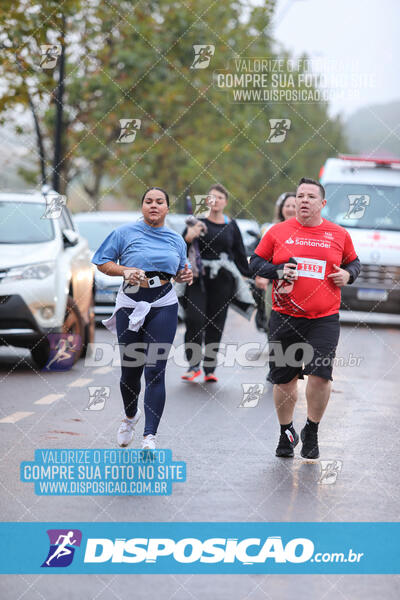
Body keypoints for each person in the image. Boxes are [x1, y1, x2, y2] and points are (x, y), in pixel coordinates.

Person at [250, 177, 361, 459]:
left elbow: (353, 263)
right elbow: (254, 262)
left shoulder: (338, 234)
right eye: (300, 196)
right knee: (284, 381)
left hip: (323, 318)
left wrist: (348, 275)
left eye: (311, 196)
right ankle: (286, 433)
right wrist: (277, 271)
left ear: (322, 203)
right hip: (285, 316)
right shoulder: (278, 232)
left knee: (320, 376)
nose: (303, 200)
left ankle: (311, 429)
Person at [92, 188, 193, 450]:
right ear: (142, 206)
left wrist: (185, 275)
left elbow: (182, 269)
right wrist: (125, 271)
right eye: (148, 201)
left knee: (155, 370)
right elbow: (102, 261)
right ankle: (129, 416)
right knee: (130, 372)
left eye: (160, 202)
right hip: (130, 304)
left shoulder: (175, 239)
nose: (154, 206)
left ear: (167, 208)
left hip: (163, 304)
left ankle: (150, 436)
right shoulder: (124, 233)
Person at [181, 183, 257, 383]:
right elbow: (180, 246)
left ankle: (209, 368)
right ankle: (193, 365)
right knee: (194, 319)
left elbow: (240, 253)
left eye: (220, 198)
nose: (216, 201)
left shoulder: (231, 225)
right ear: (207, 201)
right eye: (212, 197)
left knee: (216, 323)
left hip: (223, 279)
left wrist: (249, 275)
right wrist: (190, 236)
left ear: (226, 202)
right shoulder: (195, 222)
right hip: (198, 278)